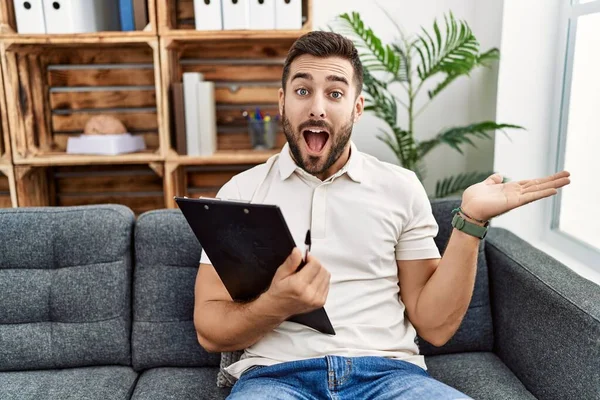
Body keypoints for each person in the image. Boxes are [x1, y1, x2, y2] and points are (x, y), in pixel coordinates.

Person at [193, 31, 571, 399]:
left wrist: (470, 222)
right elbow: (210, 332)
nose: (317, 107)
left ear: (357, 107)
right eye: (302, 90)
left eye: (335, 93)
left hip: (388, 376)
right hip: (274, 378)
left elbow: (435, 327)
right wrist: (277, 303)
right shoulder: (242, 193)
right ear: (282, 102)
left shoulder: (400, 187)